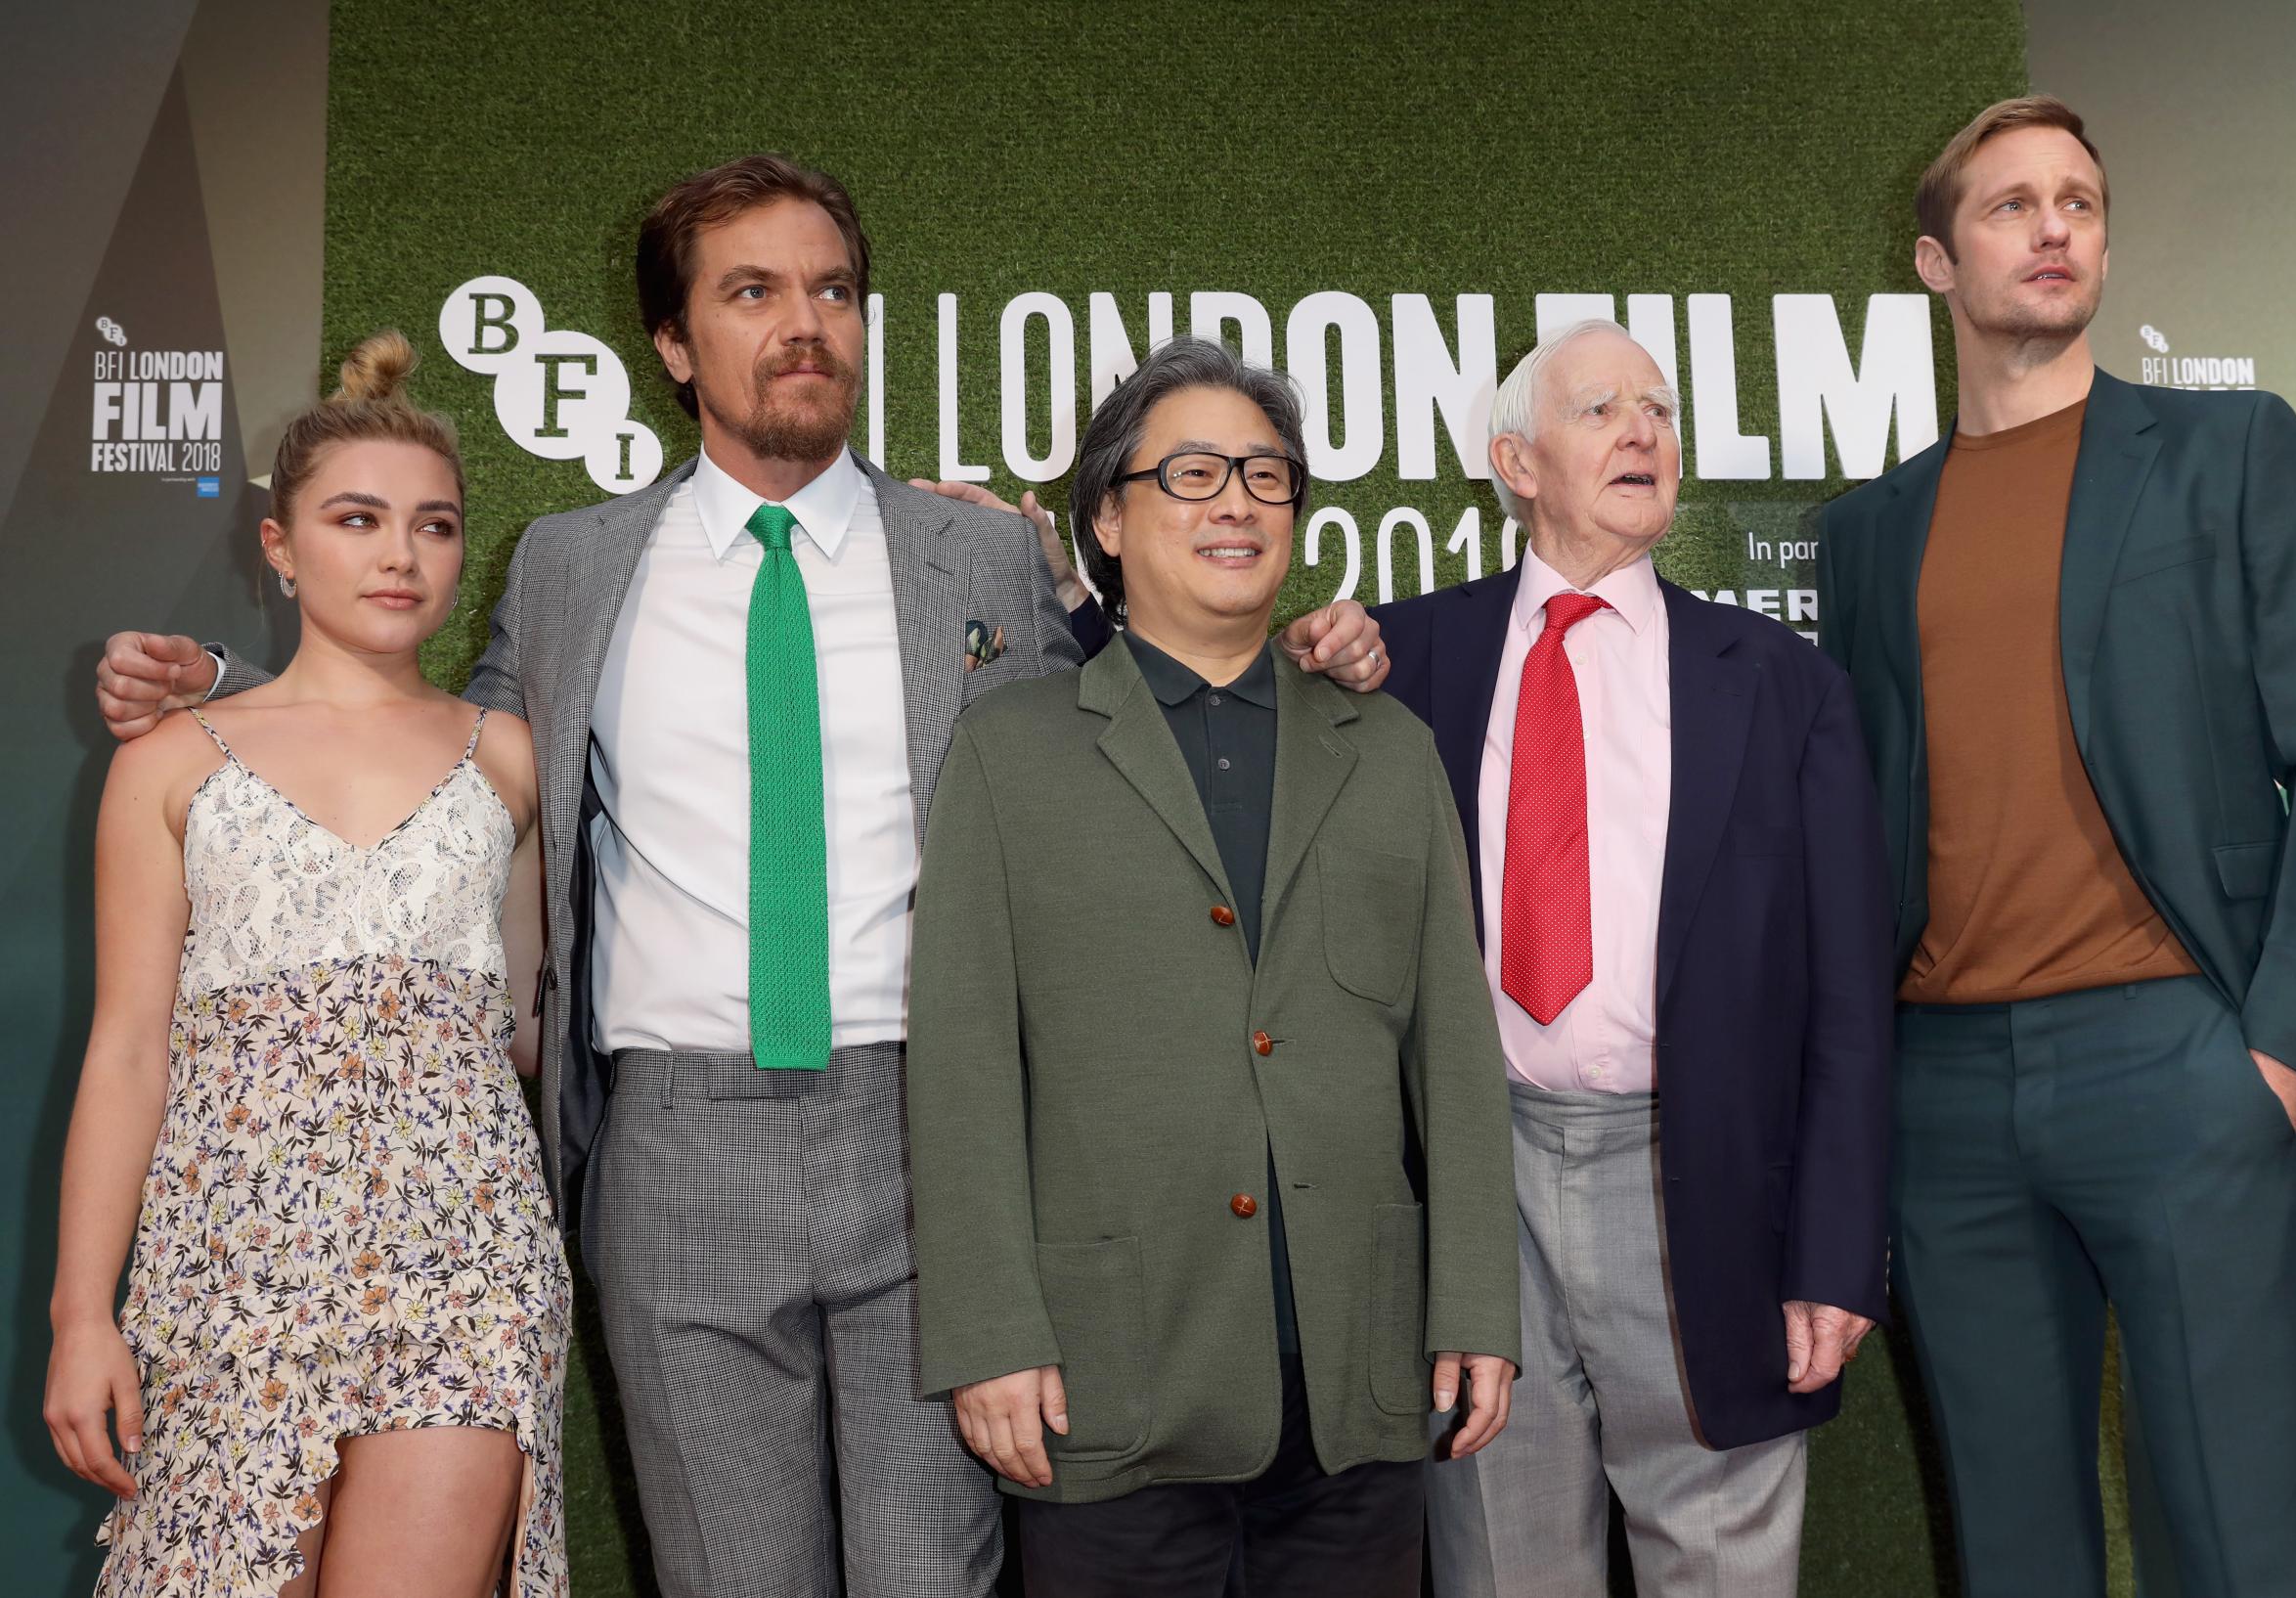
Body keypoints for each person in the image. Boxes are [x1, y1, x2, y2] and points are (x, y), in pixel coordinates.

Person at [89, 156, 1389, 1598]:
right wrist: (230, 691)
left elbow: (1140, 718)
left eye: (832, 290)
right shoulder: (575, 568)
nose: (804, 324)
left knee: (929, 1580)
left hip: (933, 1139)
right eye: (752, 291)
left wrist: (1307, 659)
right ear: (671, 342)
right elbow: (442, 757)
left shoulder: (979, 556)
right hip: (674, 1147)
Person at [1817, 97, 2296, 1598]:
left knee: (2241, 1534)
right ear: (1936, 263)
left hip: (2179, 1057)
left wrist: (2274, 1053)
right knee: (2014, 1549)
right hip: (1943, 1091)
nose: (2056, 225)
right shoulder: (1868, 533)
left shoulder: (2232, 448)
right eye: (2012, 204)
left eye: (2078, 198)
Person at [904, 335, 1520, 1598]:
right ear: (1106, 522)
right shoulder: (1012, 752)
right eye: (1189, 472)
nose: (1235, 499)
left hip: (1358, 1381)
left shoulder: (1388, 749)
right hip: (1111, 1380)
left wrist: (1474, 1302)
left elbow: (1452, 1054)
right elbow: (963, 1062)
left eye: (1264, 471)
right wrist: (990, 1333)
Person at [1364, 320, 1892, 1596]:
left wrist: (1833, 1247)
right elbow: (1204, 698)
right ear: (1517, 459)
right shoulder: (1399, 657)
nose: (1644, 429)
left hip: (1702, 1177)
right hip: (1476, 1191)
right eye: (1602, 408)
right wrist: (1057, 590)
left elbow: (1848, 997)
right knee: (1504, 1565)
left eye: (1658, 408)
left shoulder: (1783, 684)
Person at [46, 332, 568, 1597]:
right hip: (231, 1267)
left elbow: (530, 1026)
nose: (400, 553)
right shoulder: (171, 763)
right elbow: (125, 1049)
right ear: (278, 545)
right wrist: (82, 1315)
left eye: (435, 525)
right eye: (358, 518)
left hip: (467, 1263)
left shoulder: (510, 755)